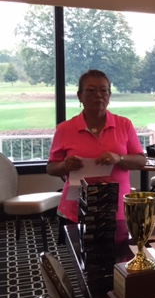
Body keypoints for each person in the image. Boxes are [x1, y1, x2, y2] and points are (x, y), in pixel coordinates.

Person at [47, 69, 146, 226]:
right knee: (76, 242)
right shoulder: (65, 129)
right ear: (80, 96)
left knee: (119, 242)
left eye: (104, 90)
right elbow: (51, 168)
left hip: (117, 206)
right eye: (91, 90)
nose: (99, 95)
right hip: (77, 206)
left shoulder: (124, 124)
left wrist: (119, 158)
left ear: (109, 95)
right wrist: (65, 165)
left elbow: (141, 161)